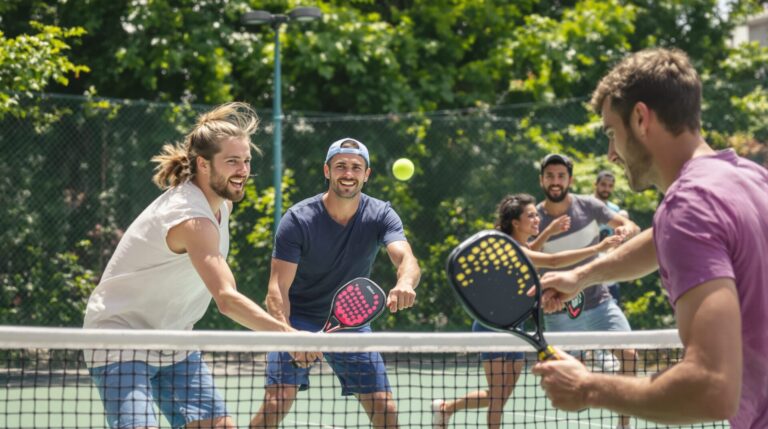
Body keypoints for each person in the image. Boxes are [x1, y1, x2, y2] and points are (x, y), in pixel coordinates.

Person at [532, 48, 768, 428]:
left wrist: (588, 387)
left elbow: (712, 388)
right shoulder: (748, 178)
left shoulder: (688, 207)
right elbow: (662, 237)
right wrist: (583, 276)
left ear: (641, 119)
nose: (611, 154)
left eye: (612, 133)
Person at [83, 102, 319, 429]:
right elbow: (226, 298)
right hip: (120, 339)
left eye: (247, 160)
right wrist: (289, 337)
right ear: (203, 164)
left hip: (174, 342)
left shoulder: (221, 205)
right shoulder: (191, 218)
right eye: (232, 161)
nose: (243, 170)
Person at [250, 138, 421, 429]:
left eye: (356, 167)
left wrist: (405, 282)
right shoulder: (298, 220)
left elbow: (407, 258)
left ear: (366, 174)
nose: (348, 173)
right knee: (276, 403)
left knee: (385, 408)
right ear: (327, 171)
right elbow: (277, 290)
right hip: (297, 319)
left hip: (351, 323)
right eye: (340, 166)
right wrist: (290, 337)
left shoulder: (381, 214)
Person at [432, 193, 621, 429]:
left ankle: (446, 408)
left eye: (536, 214)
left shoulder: (520, 245)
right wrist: (598, 247)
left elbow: (532, 249)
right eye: (530, 215)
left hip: (516, 327)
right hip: (492, 328)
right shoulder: (506, 247)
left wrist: (549, 232)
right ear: (515, 222)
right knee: (498, 397)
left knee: (500, 393)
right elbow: (551, 261)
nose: (536, 218)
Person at [536, 153, 640, 429]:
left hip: (599, 302)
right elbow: (530, 262)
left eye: (560, 176)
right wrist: (543, 295)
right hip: (559, 311)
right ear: (542, 180)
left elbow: (629, 225)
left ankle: (624, 424)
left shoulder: (590, 206)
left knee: (630, 357)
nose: (555, 181)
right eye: (550, 176)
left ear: (569, 179)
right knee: (568, 387)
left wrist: (625, 233)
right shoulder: (534, 218)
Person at [593, 170, 630, 304]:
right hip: (589, 260)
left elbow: (620, 239)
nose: (606, 189)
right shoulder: (585, 206)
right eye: (603, 184)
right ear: (595, 185)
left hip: (608, 262)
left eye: (610, 186)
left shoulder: (615, 210)